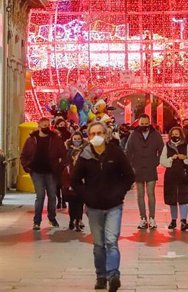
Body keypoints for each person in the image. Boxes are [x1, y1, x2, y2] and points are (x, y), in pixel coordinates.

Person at [72, 121, 135, 291]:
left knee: (111, 241)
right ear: (88, 136)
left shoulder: (115, 152)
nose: (96, 136)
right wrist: (87, 196)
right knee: (99, 244)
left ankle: (113, 274)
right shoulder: (85, 156)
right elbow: (75, 181)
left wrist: (119, 193)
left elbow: (129, 176)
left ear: (106, 134)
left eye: (99, 133)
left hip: (114, 205)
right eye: (92, 134)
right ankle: (101, 276)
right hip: (94, 207)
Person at [20, 117, 66, 229]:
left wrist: (59, 167)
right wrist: (27, 167)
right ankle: (37, 221)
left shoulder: (55, 139)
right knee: (40, 196)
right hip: (36, 172)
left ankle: (52, 217)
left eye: (48, 125)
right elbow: (23, 155)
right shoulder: (31, 140)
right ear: (39, 125)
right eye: (44, 125)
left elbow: (64, 154)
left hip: (51, 172)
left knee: (52, 196)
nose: (46, 127)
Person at [125, 115, 164, 230]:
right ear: (138, 124)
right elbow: (128, 150)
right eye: (141, 124)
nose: (144, 126)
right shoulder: (134, 135)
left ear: (149, 123)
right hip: (138, 168)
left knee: (151, 193)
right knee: (140, 194)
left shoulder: (156, 135)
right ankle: (143, 218)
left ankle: (152, 218)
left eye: (146, 123)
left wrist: (156, 162)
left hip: (151, 168)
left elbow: (162, 150)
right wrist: (131, 165)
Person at [160, 126, 188, 231]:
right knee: (172, 200)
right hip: (171, 176)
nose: (175, 136)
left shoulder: (186, 146)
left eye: (177, 134)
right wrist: (171, 159)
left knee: (183, 199)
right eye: (173, 134)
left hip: (183, 175)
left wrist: (185, 159)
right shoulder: (167, 146)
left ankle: (183, 220)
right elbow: (162, 161)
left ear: (181, 135)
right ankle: (173, 220)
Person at [62, 132, 88, 231]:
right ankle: (72, 219)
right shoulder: (68, 164)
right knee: (72, 205)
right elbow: (65, 175)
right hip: (70, 187)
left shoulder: (86, 150)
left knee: (80, 204)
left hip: (80, 187)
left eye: (78, 139)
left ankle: (78, 220)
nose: (77, 141)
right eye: (75, 139)